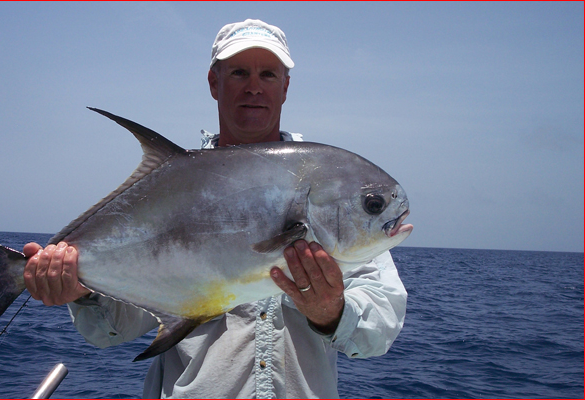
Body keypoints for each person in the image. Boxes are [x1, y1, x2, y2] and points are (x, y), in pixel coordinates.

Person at [23, 19, 407, 398]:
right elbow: (112, 331)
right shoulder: (176, 189)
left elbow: (381, 329)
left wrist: (332, 312)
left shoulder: (328, 187)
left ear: (285, 87)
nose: (254, 87)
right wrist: (81, 290)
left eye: (268, 74)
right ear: (214, 83)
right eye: (239, 72)